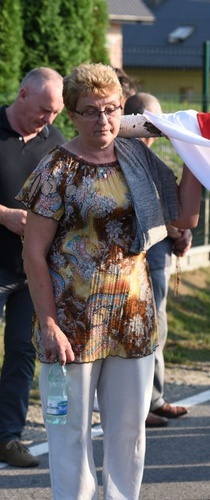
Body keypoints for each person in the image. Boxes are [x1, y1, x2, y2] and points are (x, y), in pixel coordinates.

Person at [17, 63, 202, 498]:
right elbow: (33, 251)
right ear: (72, 116)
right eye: (91, 112)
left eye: (113, 109)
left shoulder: (136, 155)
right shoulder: (56, 169)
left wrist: (195, 154)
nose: (104, 121)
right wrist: (47, 323)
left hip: (132, 319)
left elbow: (184, 217)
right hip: (71, 325)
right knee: (70, 436)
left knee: (128, 434)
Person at [0, 67, 65, 468]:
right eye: (45, 110)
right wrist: (4, 215)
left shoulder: (54, 143)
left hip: (30, 271)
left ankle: (8, 436)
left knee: (23, 352)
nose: (50, 120)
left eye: (56, 113)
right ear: (23, 94)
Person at [124, 92, 193, 427]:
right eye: (154, 123)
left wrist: (182, 232)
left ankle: (155, 398)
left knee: (157, 327)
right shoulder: (121, 155)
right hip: (135, 255)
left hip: (159, 252)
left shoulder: (153, 159)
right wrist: (174, 228)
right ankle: (138, 404)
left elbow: (174, 205)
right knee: (139, 328)